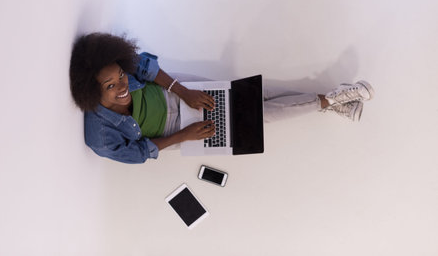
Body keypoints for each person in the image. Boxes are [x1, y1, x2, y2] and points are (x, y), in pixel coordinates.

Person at [69, 33, 374, 164]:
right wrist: (184, 135)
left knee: (255, 96)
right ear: (91, 91)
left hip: (179, 92)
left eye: (121, 76)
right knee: (259, 118)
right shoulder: (99, 136)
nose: (121, 85)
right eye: (110, 86)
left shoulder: (116, 64)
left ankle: (333, 102)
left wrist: (184, 90)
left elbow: (146, 67)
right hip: (178, 132)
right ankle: (333, 101)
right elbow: (137, 153)